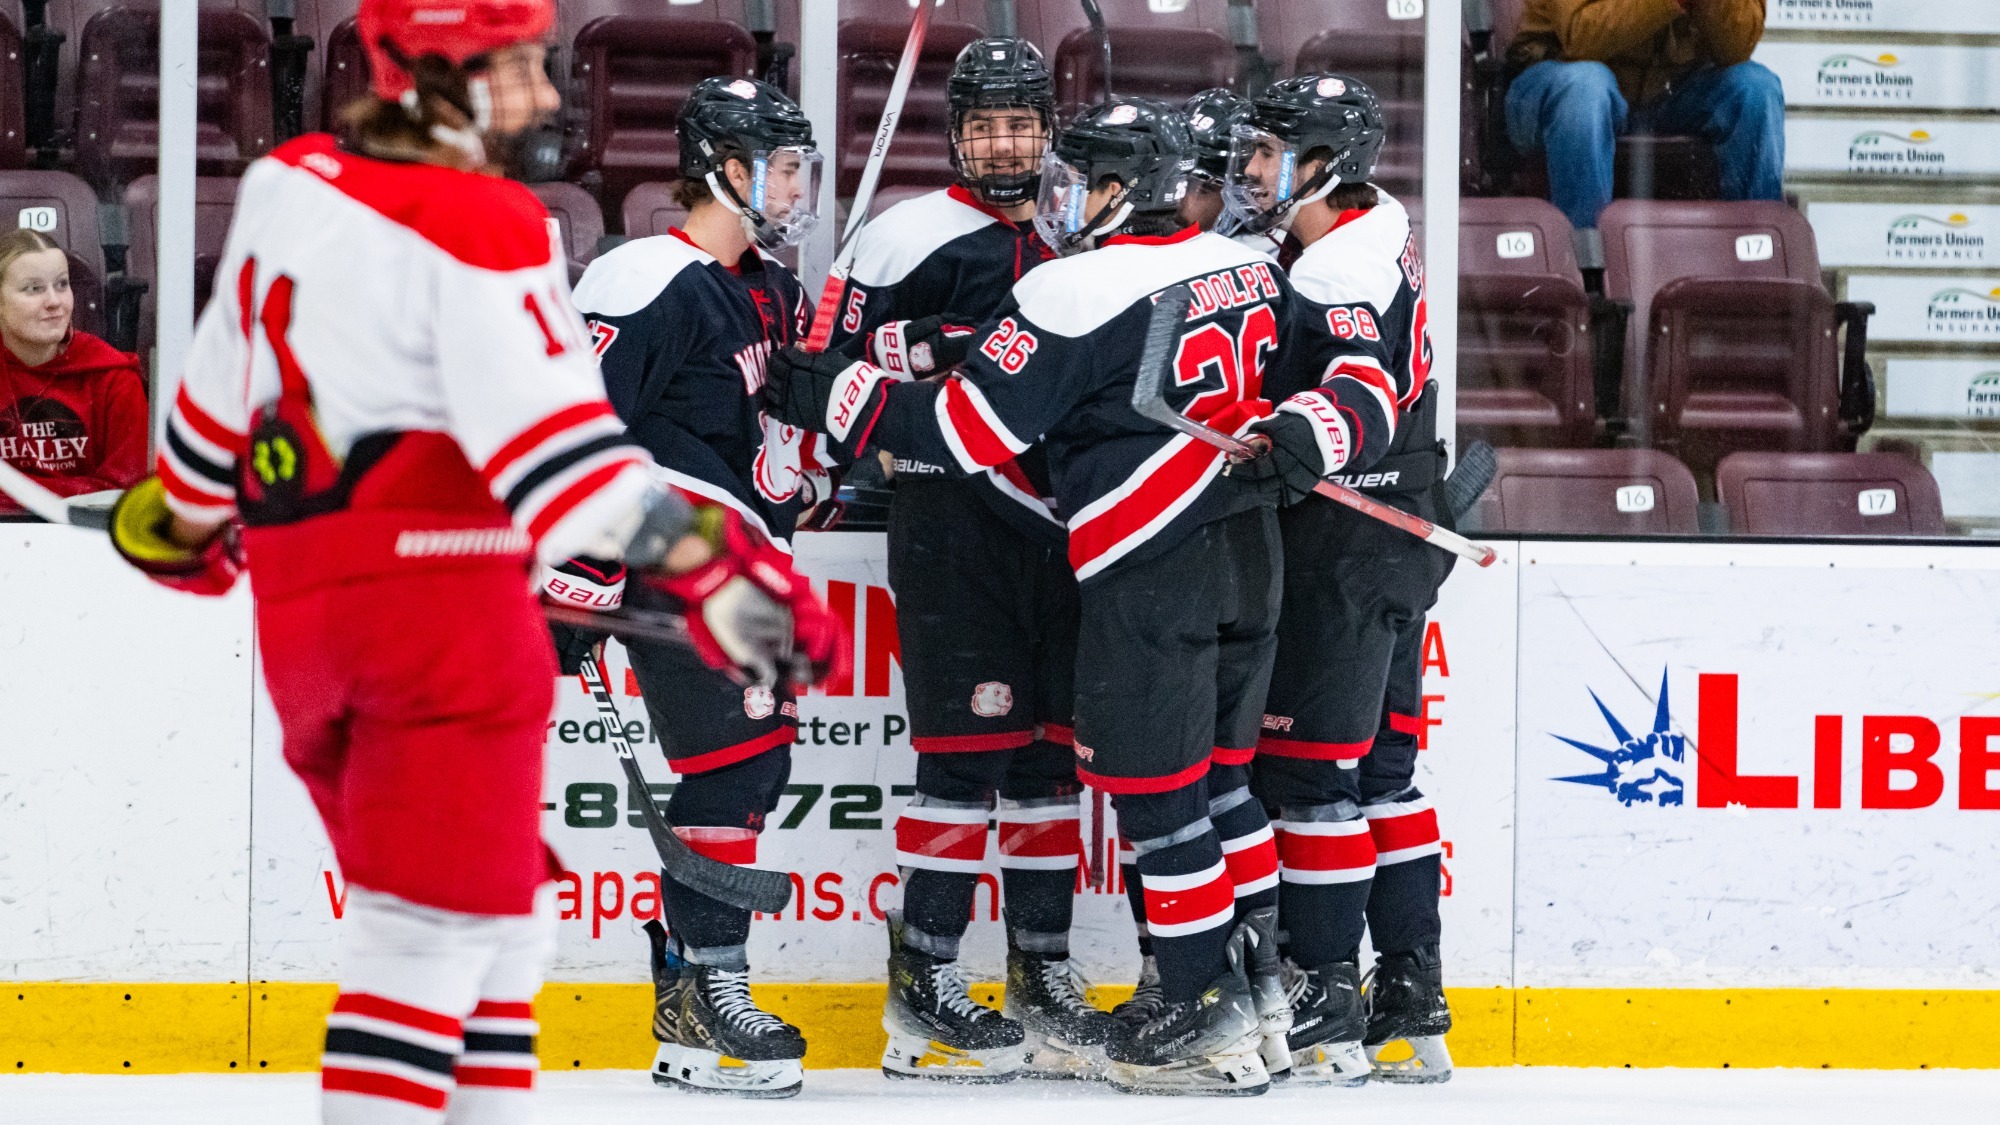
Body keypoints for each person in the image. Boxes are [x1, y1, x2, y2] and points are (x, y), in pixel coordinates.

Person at [105, 2, 839, 1120]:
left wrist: (183, 517)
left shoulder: (287, 184)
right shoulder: (489, 223)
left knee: (495, 926)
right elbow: (570, 467)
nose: (546, 100)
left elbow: (215, 406)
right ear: (439, 74)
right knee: (429, 944)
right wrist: (722, 566)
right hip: (438, 624)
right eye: (516, 70)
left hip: (318, 625)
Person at [765, 99, 1298, 1097]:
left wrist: (831, 396)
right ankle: (1254, 993)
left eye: (1077, 181)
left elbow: (965, 430)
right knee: (1208, 784)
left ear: (1117, 190)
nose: (1057, 197)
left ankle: (1200, 1005)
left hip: (1146, 561)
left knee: (1157, 797)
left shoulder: (1067, 288)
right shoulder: (1250, 265)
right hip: (1244, 554)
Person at [818, 37, 1118, 1083]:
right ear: (953, 133)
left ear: (1048, 130)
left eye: (1023, 123)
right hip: (949, 520)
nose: (1006, 143)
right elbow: (833, 364)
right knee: (962, 752)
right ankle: (926, 983)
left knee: (1046, 756)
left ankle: (1041, 967)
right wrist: (944, 346)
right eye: (986, 124)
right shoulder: (905, 235)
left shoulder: (1084, 233)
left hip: (1063, 523)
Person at [566, 74, 843, 1101]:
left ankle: (697, 988)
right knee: (728, 771)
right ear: (720, 168)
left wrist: (816, 439)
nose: (790, 185)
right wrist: (576, 581)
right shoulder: (645, 277)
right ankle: (702, 992)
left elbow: (766, 446)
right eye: (775, 165)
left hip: (745, 557)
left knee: (754, 774)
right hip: (671, 555)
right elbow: (580, 431)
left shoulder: (765, 288)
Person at [1221, 73, 1454, 1085]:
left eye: (1270, 152)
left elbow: (1356, 383)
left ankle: (1324, 996)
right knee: (1381, 775)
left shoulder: (1336, 272)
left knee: (1308, 775)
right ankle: (1408, 993)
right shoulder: (1368, 228)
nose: (1251, 169)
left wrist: (1298, 433)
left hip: (1343, 537)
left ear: (1324, 163)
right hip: (1402, 522)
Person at [1503, 0, 1782, 230]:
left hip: (1668, 94)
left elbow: (1737, 48)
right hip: (1553, 85)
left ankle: (1756, 256)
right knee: (1587, 84)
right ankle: (1585, 268)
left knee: (1756, 87)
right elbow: (1583, 35)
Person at [0, 229, 145, 517]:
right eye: (34, 289)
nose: (55, 301)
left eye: (62, 284)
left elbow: (125, 491)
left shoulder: (113, 377)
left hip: (89, 537)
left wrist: (16, 494)